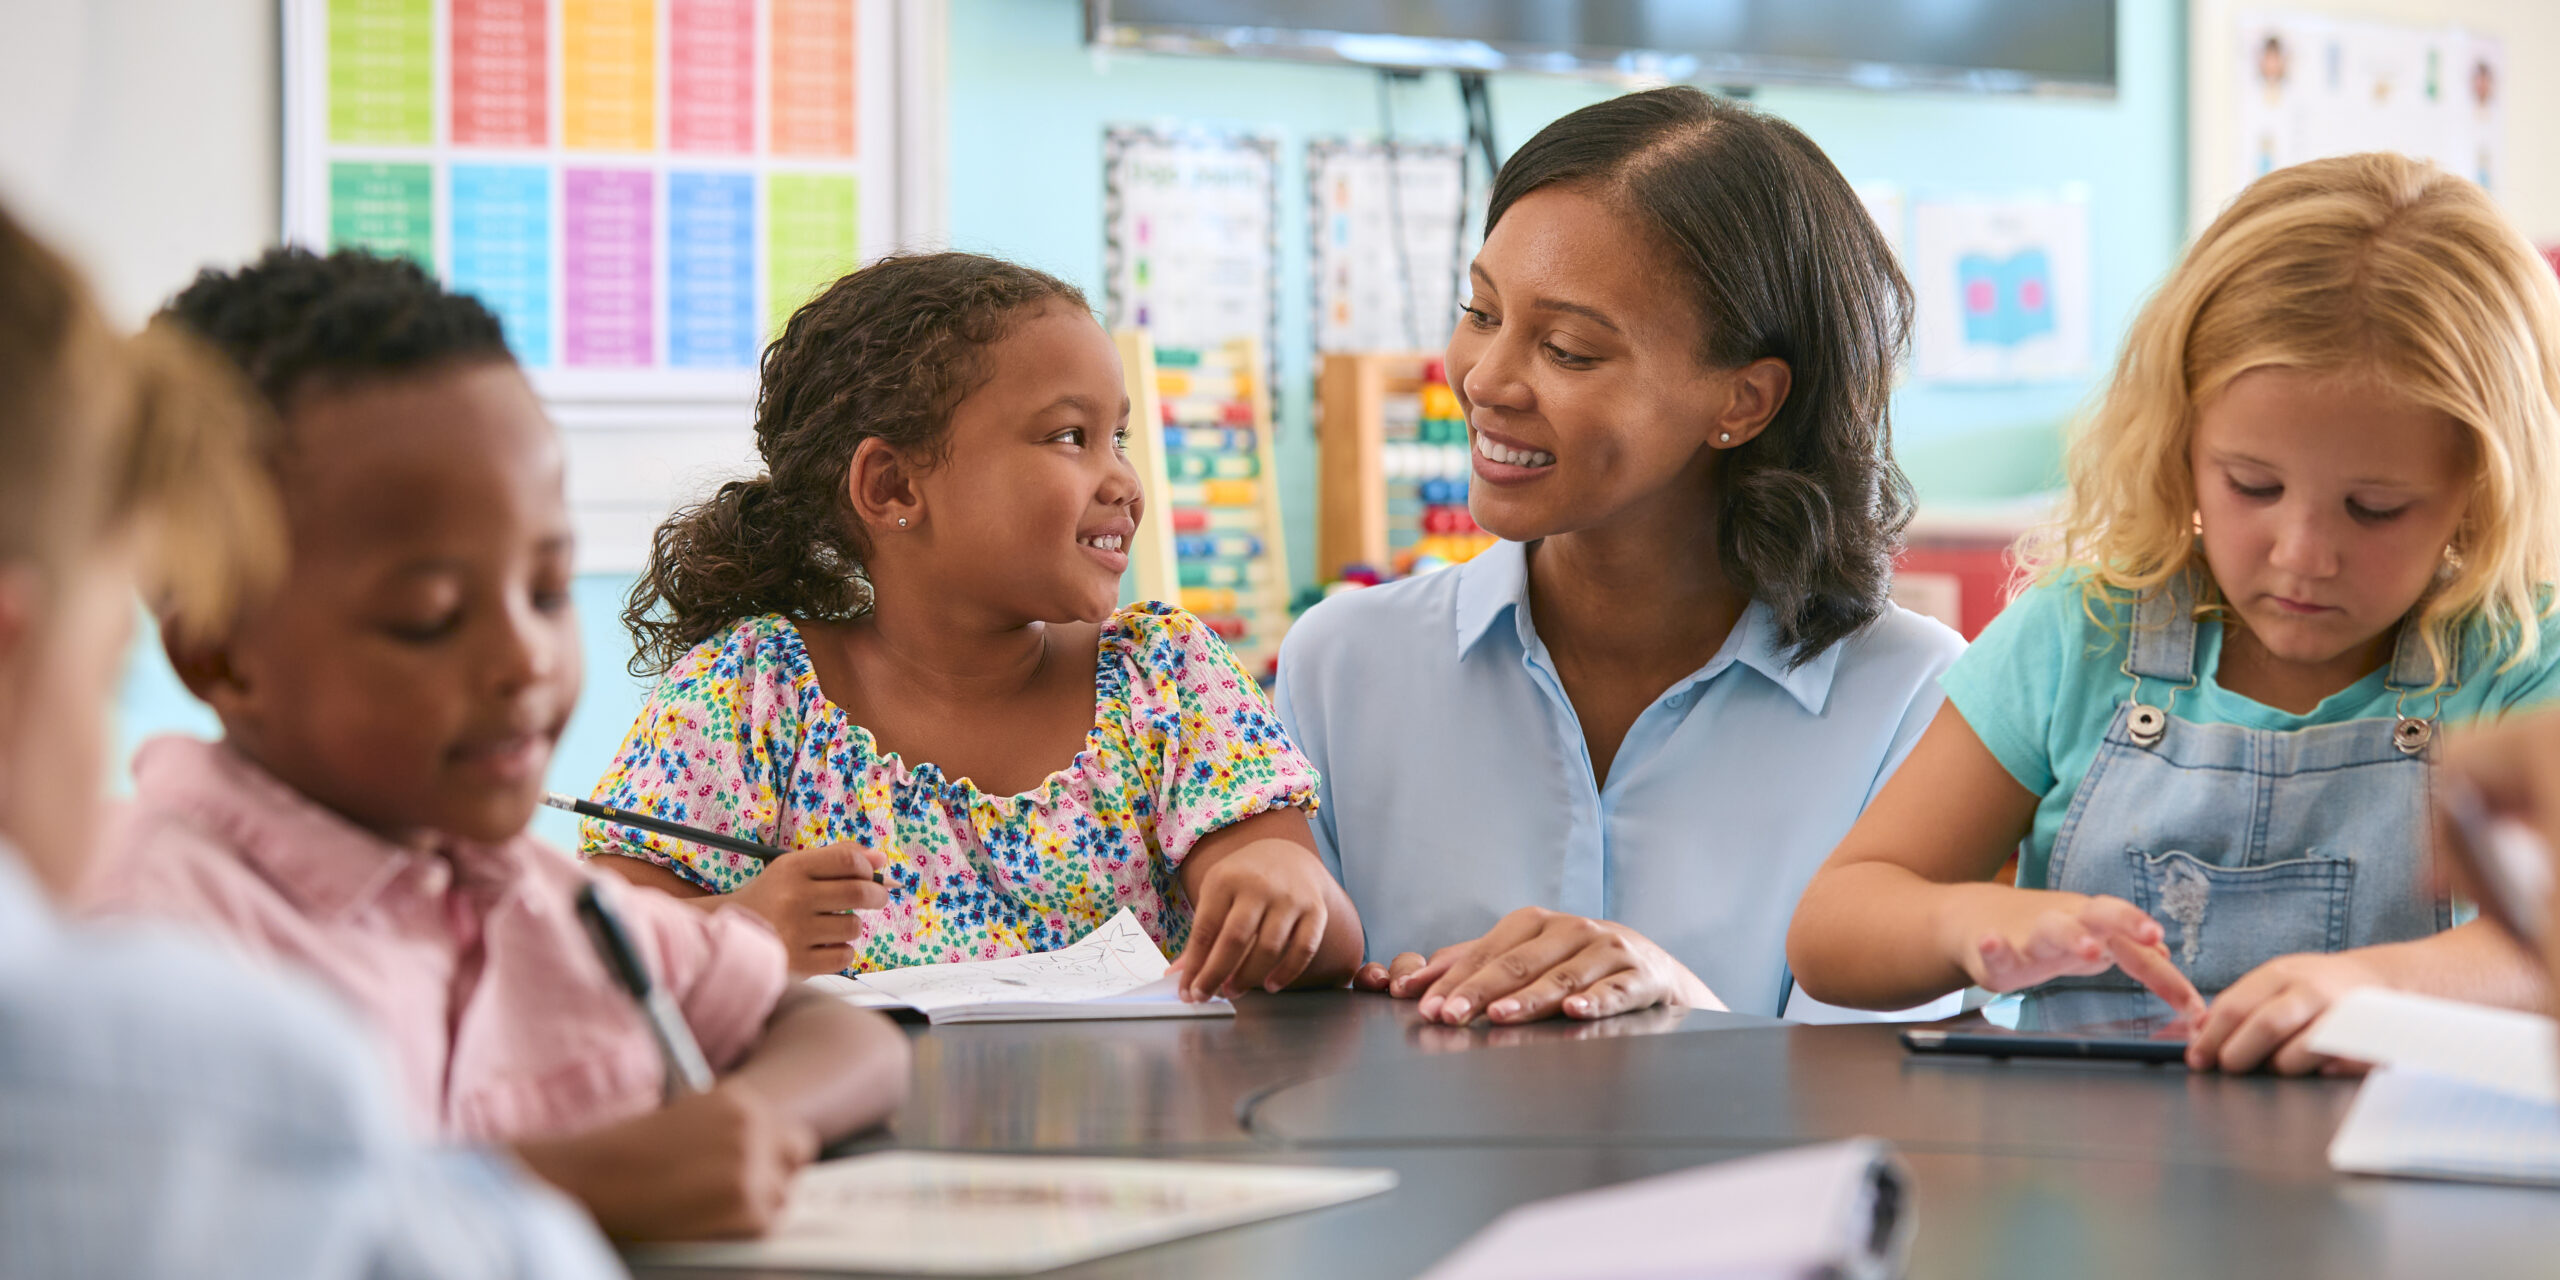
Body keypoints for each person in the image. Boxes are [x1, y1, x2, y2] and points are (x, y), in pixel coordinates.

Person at [85, 247, 909, 1241]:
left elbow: (842, 1037)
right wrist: (579, 1183)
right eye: (430, 617)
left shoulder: (541, 898)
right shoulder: (149, 937)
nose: (525, 657)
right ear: (220, 656)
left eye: (547, 591)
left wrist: (756, 1116)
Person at [1788, 153, 2560, 1073]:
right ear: (2179, 444)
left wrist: (2378, 987)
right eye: (2253, 486)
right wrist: (1971, 921)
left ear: (2481, 488)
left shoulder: (2524, 661)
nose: (2302, 553)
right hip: (2082, 1157)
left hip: (2390, 1156)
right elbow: (1832, 931)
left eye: (2375, 509)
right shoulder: (2076, 639)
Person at [0, 207, 620, 1276]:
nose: (522, 661)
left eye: (552, 590)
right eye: (104, 672)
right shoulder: (207, 1080)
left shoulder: (521, 879)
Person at [1276, 86, 1964, 1025]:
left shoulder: (1917, 702)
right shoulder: (1342, 665)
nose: (1484, 380)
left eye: (1567, 349)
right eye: (1481, 311)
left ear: (1744, 401)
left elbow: (1885, 1092)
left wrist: (1678, 1005)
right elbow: (1281, 1052)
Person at [586, 252, 1362, 1003]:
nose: (1124, 481)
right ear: (892, 486)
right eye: (1070, 437)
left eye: (1117, 438)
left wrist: (1285, 885)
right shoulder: (749, 694)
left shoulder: (1166, 677)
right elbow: (597, 953)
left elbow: (1327, 939)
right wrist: (737, 929)